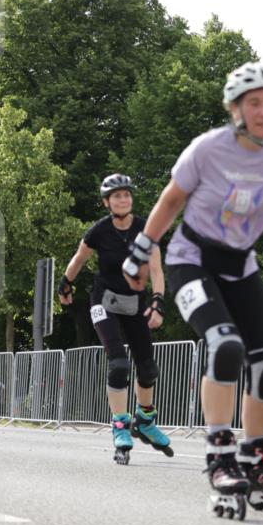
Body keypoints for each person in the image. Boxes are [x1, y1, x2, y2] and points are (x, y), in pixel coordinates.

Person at [122, 63, 263, 518]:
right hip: (191, 260)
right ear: (235, 109)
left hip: (240, 266)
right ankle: (219, 456)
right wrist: (140, 251)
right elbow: (171, 200)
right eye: (255, 103)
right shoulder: (207, 149)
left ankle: (257, 458)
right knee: (225, 346)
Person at [58, 174, 173, 464]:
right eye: (117, 196)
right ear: (106, 202)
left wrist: (158, 301)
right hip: (104, 301)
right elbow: (79, 259)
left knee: (148, 369)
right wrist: (65, 283)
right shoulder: (99, 231)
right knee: (119, 364)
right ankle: (120, 425)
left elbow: (156, 270)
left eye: (127, 195)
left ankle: (145, 421)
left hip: (134, 303)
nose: (123, 200)